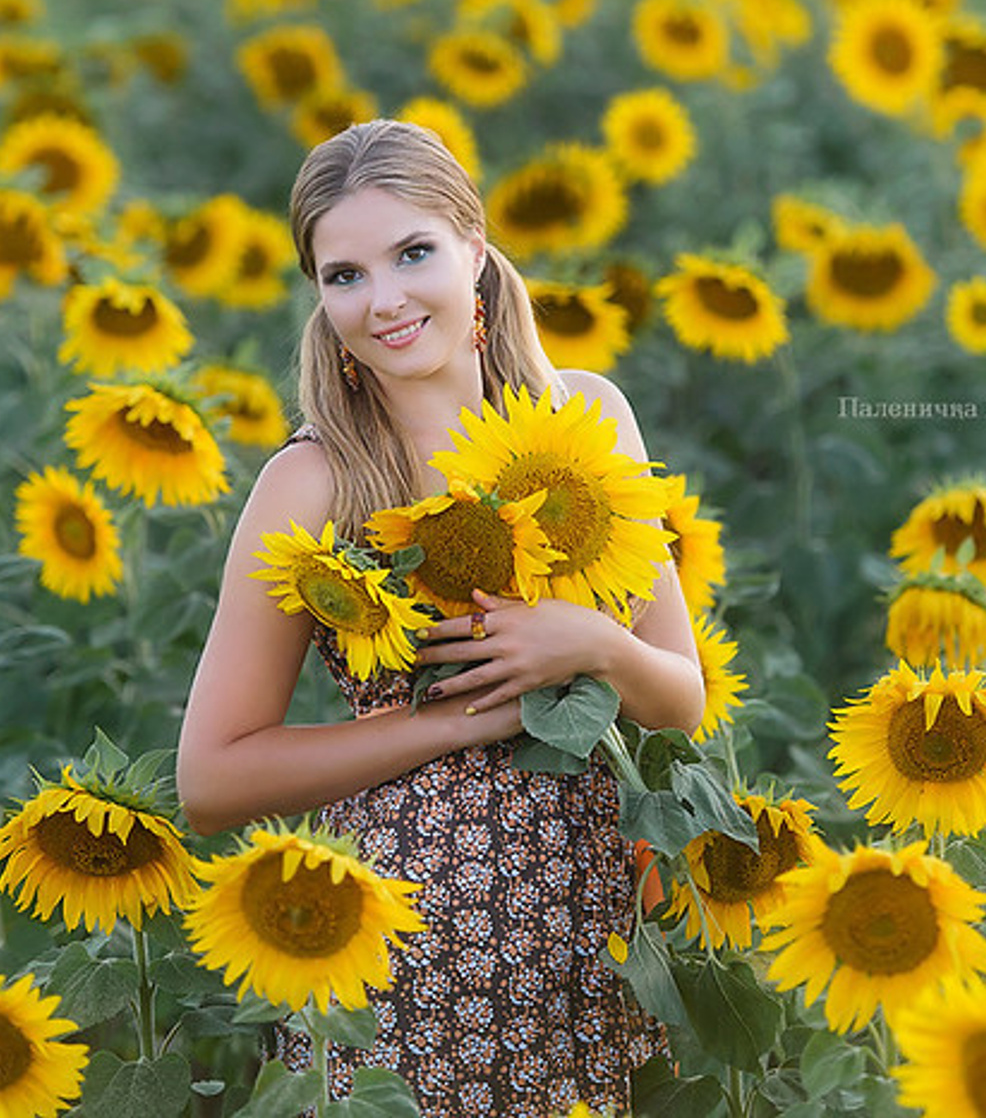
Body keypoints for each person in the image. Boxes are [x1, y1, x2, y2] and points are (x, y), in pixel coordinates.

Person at [176, 119, 705, 1116]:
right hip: (394, 969)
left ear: (473, 244)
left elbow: (680, 699)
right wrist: (459, 719)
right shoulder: (315, 478)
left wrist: (590, 643)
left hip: (591, 950)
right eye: (343, 274)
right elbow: (211, 776)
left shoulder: (582, 419)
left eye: (411, 252)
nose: (382, 300)